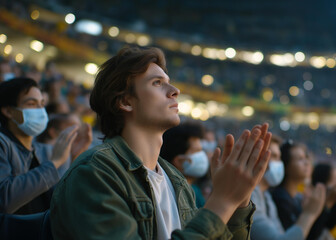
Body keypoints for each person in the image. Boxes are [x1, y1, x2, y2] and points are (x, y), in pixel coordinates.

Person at [50, 46, 272, 239]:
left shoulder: (176, 180)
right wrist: (221, 200)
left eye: (169, 82)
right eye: (157, 83)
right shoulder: (94, 174)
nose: (174, 91)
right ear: (126, 101)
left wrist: (238, 201)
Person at [0, 77, 78, 214]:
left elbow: (59, 200)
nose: (40, 110)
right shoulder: (3, 144)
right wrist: (54, 163)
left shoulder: (42, 150)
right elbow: (4, 199)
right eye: (31, 104)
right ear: (8, 111)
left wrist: (76, 157)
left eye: (42, 104)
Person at [250, 135, 326, 240]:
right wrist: (309, 213)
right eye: (274, 156)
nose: (279, 163)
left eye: (280, 158)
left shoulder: (266, 197)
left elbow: (281, 234)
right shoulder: (249, 196)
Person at [160, 120, 209, 208]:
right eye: (196, 151)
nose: (203, 156)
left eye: (201, 150)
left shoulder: (195, 191)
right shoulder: (168, 196)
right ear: (179, 161)